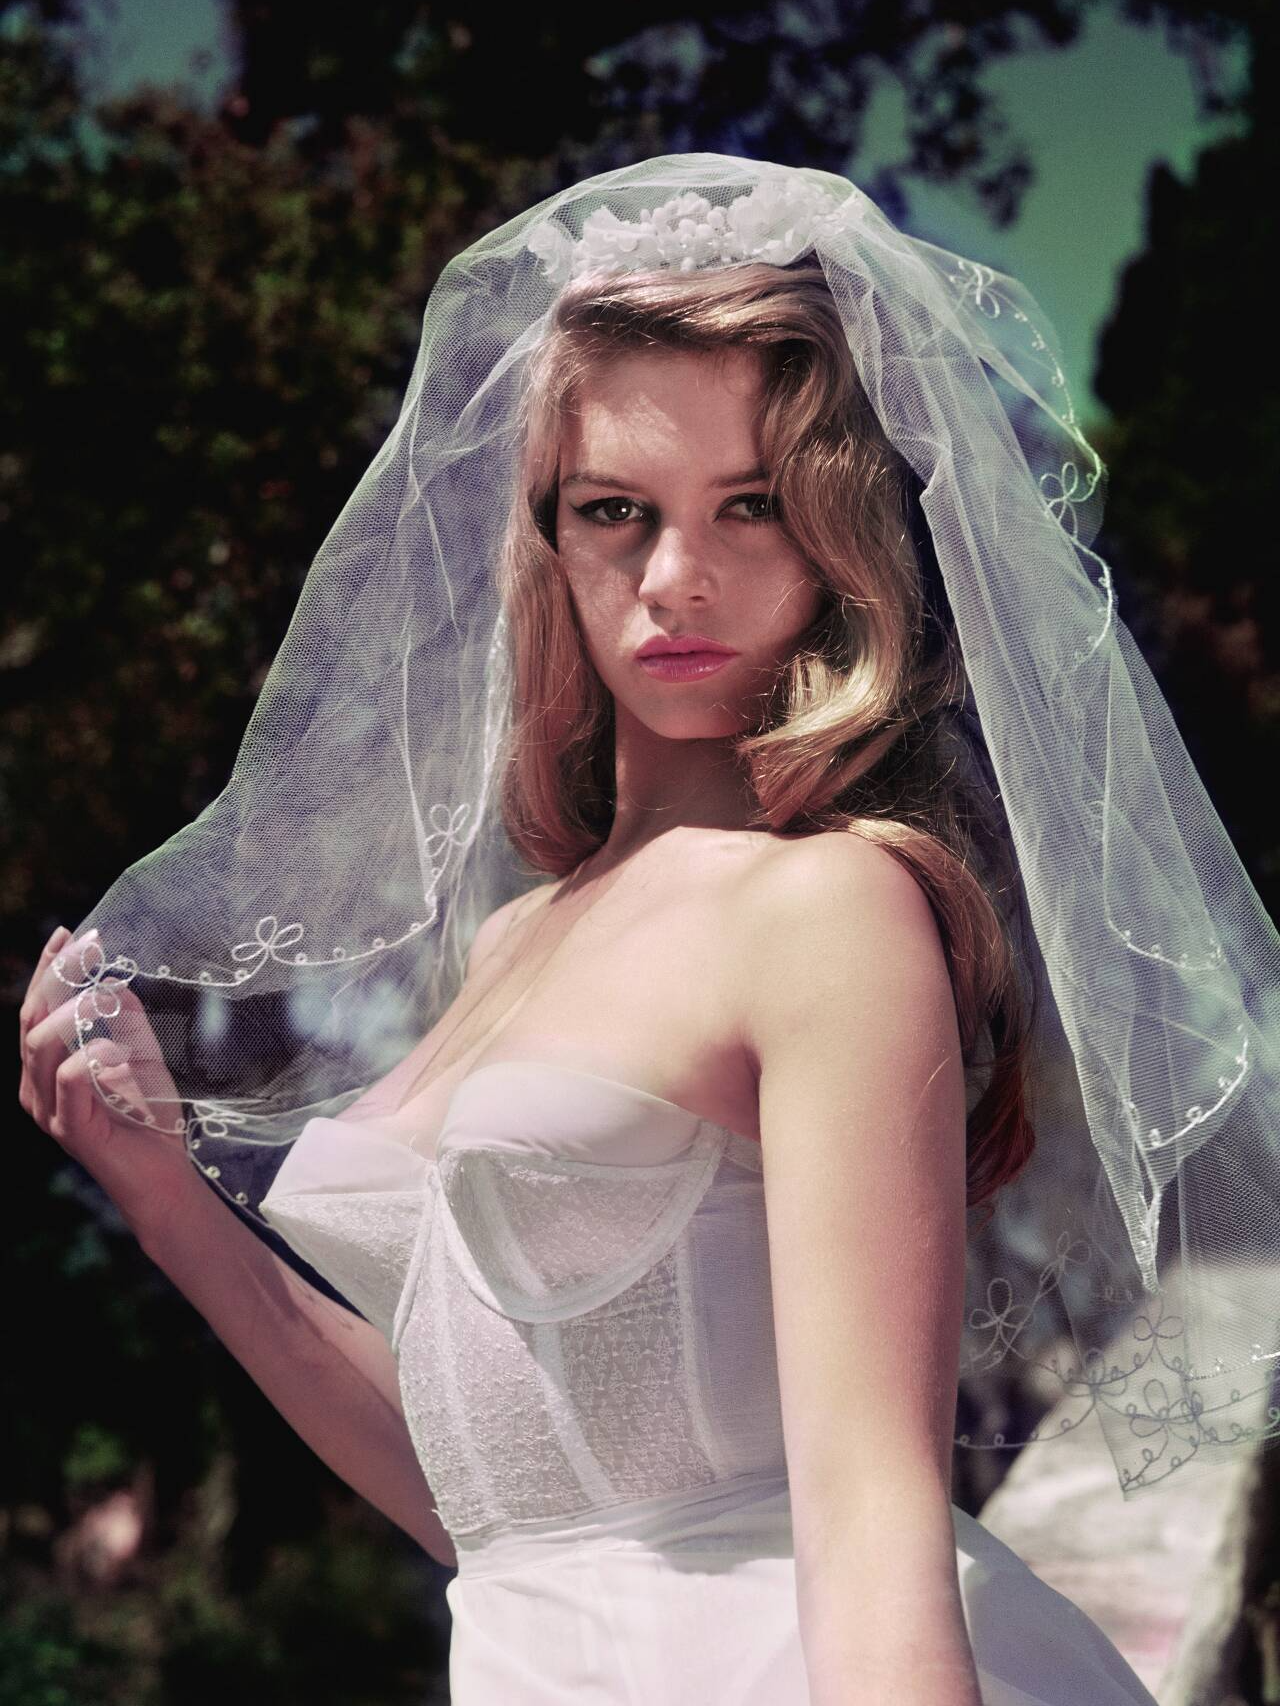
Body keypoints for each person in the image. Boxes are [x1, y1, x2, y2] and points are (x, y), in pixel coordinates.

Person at [20, 156, 1279, 1704]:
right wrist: (163, 1193)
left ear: (833, 536)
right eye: (616, 510)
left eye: (750, 506)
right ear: (549, 535)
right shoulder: (511, 944)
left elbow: (869, 1517)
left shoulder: (828, 906)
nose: (676, 577)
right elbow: (500, 1511)